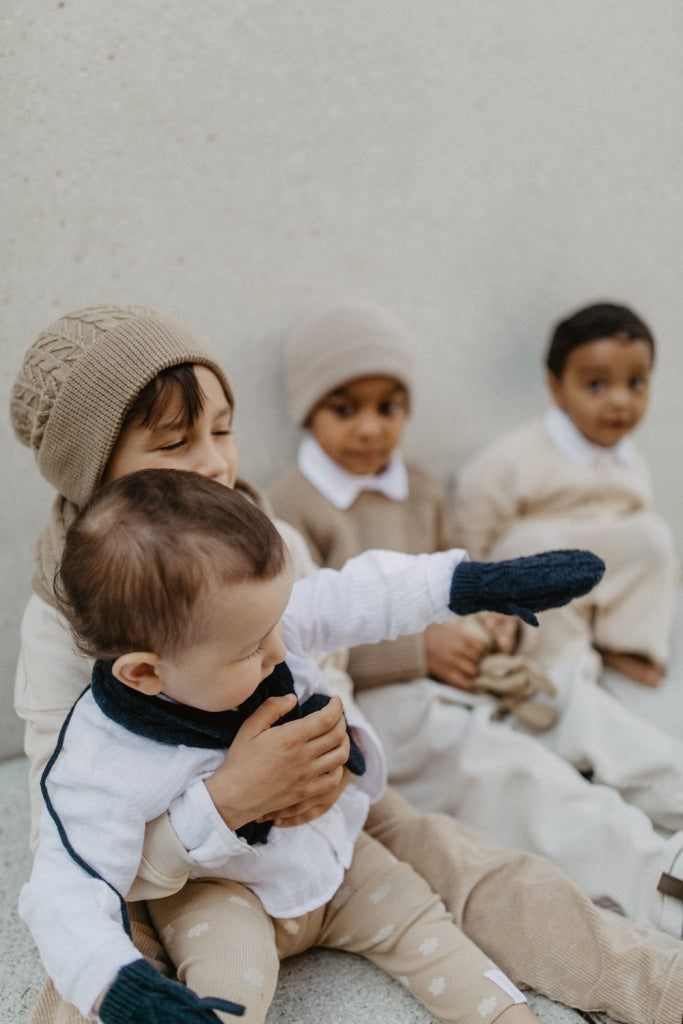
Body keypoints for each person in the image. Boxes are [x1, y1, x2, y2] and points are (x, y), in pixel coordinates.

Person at [11, 305, 683, 1024]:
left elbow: (342, 628)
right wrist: (228, 800)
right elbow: (71, 837)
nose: (213, 461)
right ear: (94, 472)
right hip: (175, 871)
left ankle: (655, 980)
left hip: (324, 811)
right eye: (175, 441)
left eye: (224, 429)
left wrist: (333, 751)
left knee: (469, 865)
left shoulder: (270, 543)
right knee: (89, 971)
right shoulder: (62, 624)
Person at [23, 468, 601, 1023]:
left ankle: (509, 1015)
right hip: (224, 893)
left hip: (335, 850)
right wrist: (123, 990)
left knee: (426, 924)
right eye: (251, 650)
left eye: (278, 625)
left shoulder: (251, 618)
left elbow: (363, 594)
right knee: (225, 988)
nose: (280, 650)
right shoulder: (100, 758)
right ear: (145, 674)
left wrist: (473, 585)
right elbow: (65, 889)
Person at [268, 300, 683, 938]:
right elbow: (302, 636)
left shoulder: (425, 489)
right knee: (511, 774)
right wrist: (420, 653)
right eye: (344, 408)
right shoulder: (293, 505)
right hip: (388, 700)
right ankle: (657, 879)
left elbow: (457, 575)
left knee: (576, 704)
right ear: (308, 411)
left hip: (465, 671)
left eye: (389, 407)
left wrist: (489, 625)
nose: (370, 430)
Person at [453, 301, 680, 688]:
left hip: (597, 568)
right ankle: (565, 664)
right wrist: (477, 593)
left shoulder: (630, 461)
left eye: (636, 383)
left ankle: (626, 642)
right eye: (596, 385)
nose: (620, 401)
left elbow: (634, 536)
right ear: (557, 388)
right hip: (538, 565)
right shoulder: (516, 457)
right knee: (539, 557)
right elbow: (475, 519)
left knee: (654, 537)